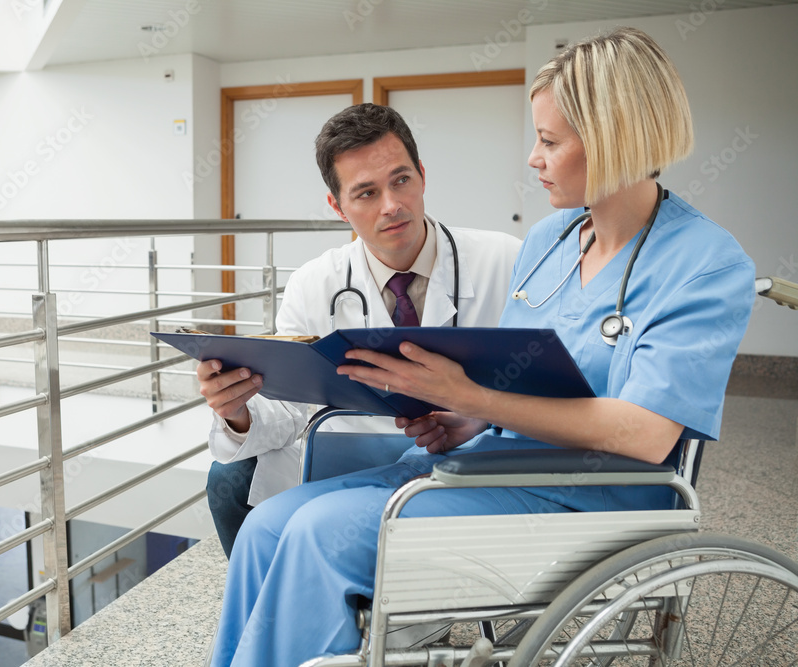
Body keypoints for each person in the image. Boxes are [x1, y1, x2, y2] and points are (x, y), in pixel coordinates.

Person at [209, 27, 756, 667]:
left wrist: (472, 394)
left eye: (549, 141)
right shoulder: (553, 239)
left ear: (614, 139)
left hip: (592, 496)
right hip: (492, 465)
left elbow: (645, 434)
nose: (533, 158)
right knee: (266, 529)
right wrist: (469, 416)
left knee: (316, 536)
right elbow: (526, 381)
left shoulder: (707, 264)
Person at [200, 103, 522, 558]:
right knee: (229, 478)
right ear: (338, 206)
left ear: (422, 175)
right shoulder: (314, 284)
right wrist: (237, 412)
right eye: (367, 193)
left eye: (401, 180)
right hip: (352, 455)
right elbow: (291, 412)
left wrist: (484, 415)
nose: (392, 206)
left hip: (469, 455)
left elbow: (545, 387)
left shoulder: (506, 260)